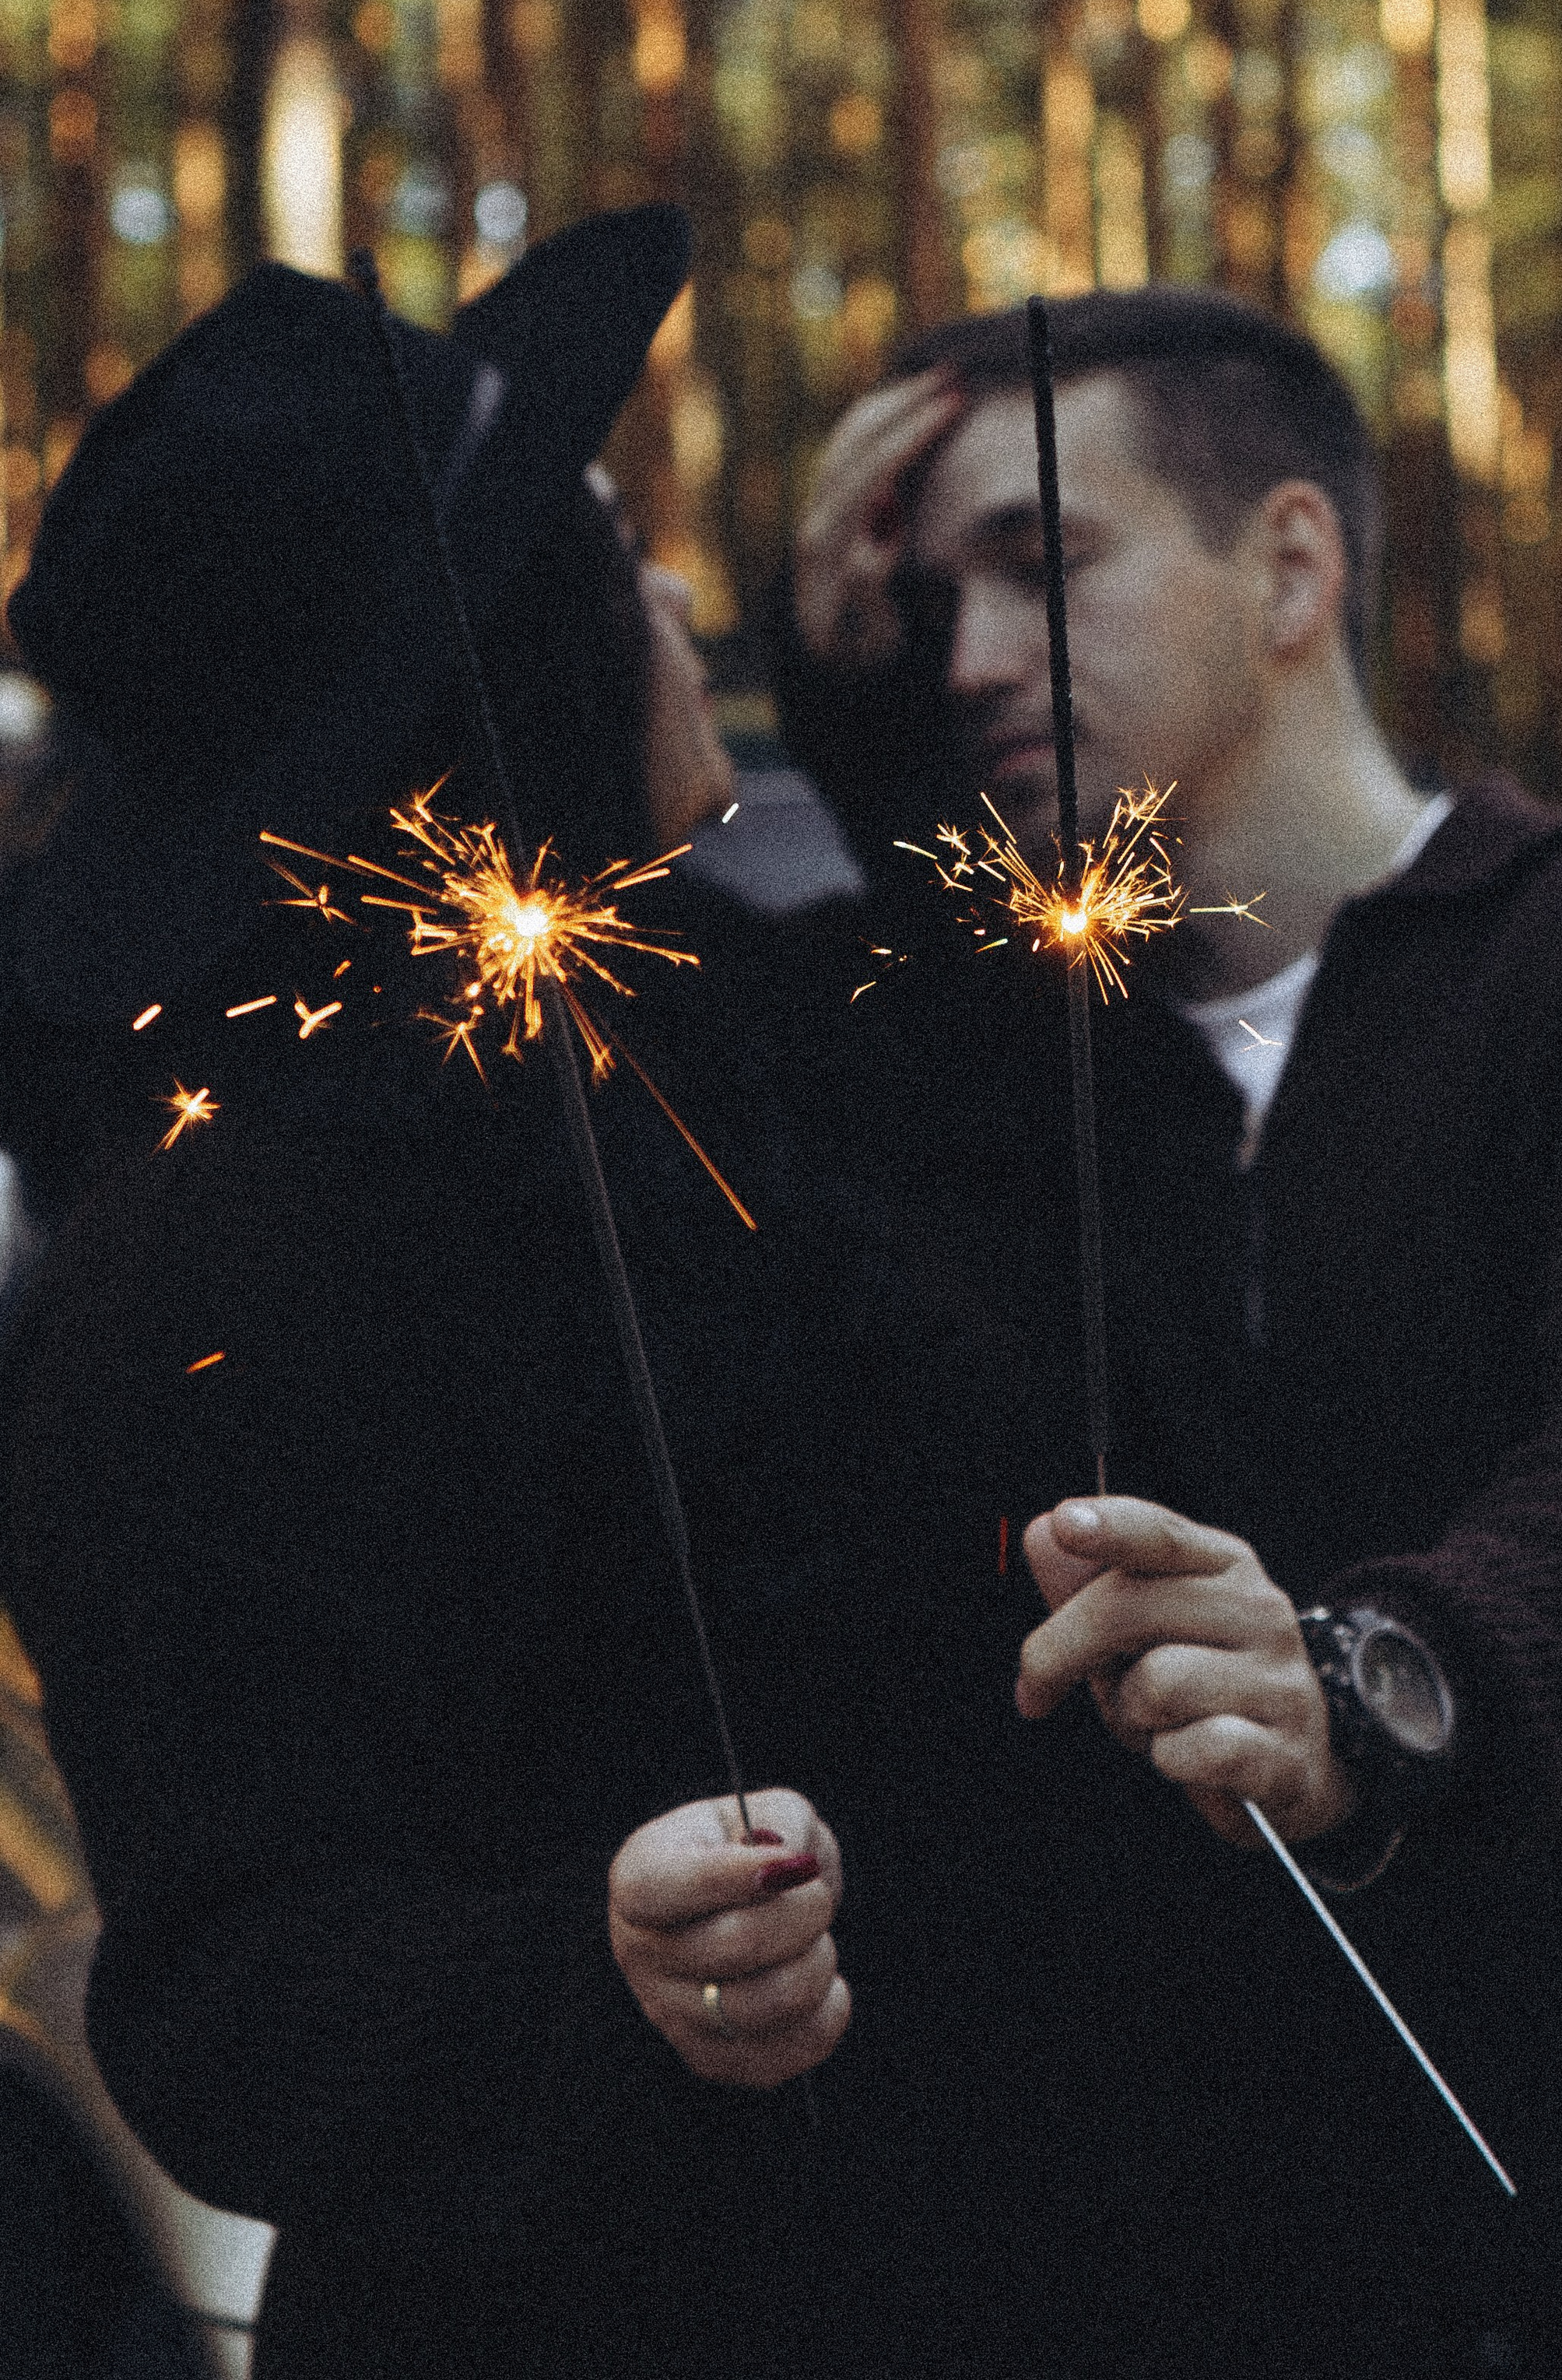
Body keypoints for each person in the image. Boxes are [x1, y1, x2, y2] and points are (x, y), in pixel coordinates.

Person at [769, 283, 1562, 2378]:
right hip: (1251, 2267)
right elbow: (846, 970)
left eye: (1042, 566)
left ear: (1291, 566)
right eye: (922, 609)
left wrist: (1382, 1683)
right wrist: (831, 691)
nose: (970, 658)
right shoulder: (1013, 1071)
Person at [0, 219, 962, 2380]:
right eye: (613, 552)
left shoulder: (681, 1049)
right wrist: (589, 1978)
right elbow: (221, 1998)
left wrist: (875, 667)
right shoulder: (221, 1254)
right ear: (507, 651)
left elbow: (962, 1036)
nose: (678, 603)